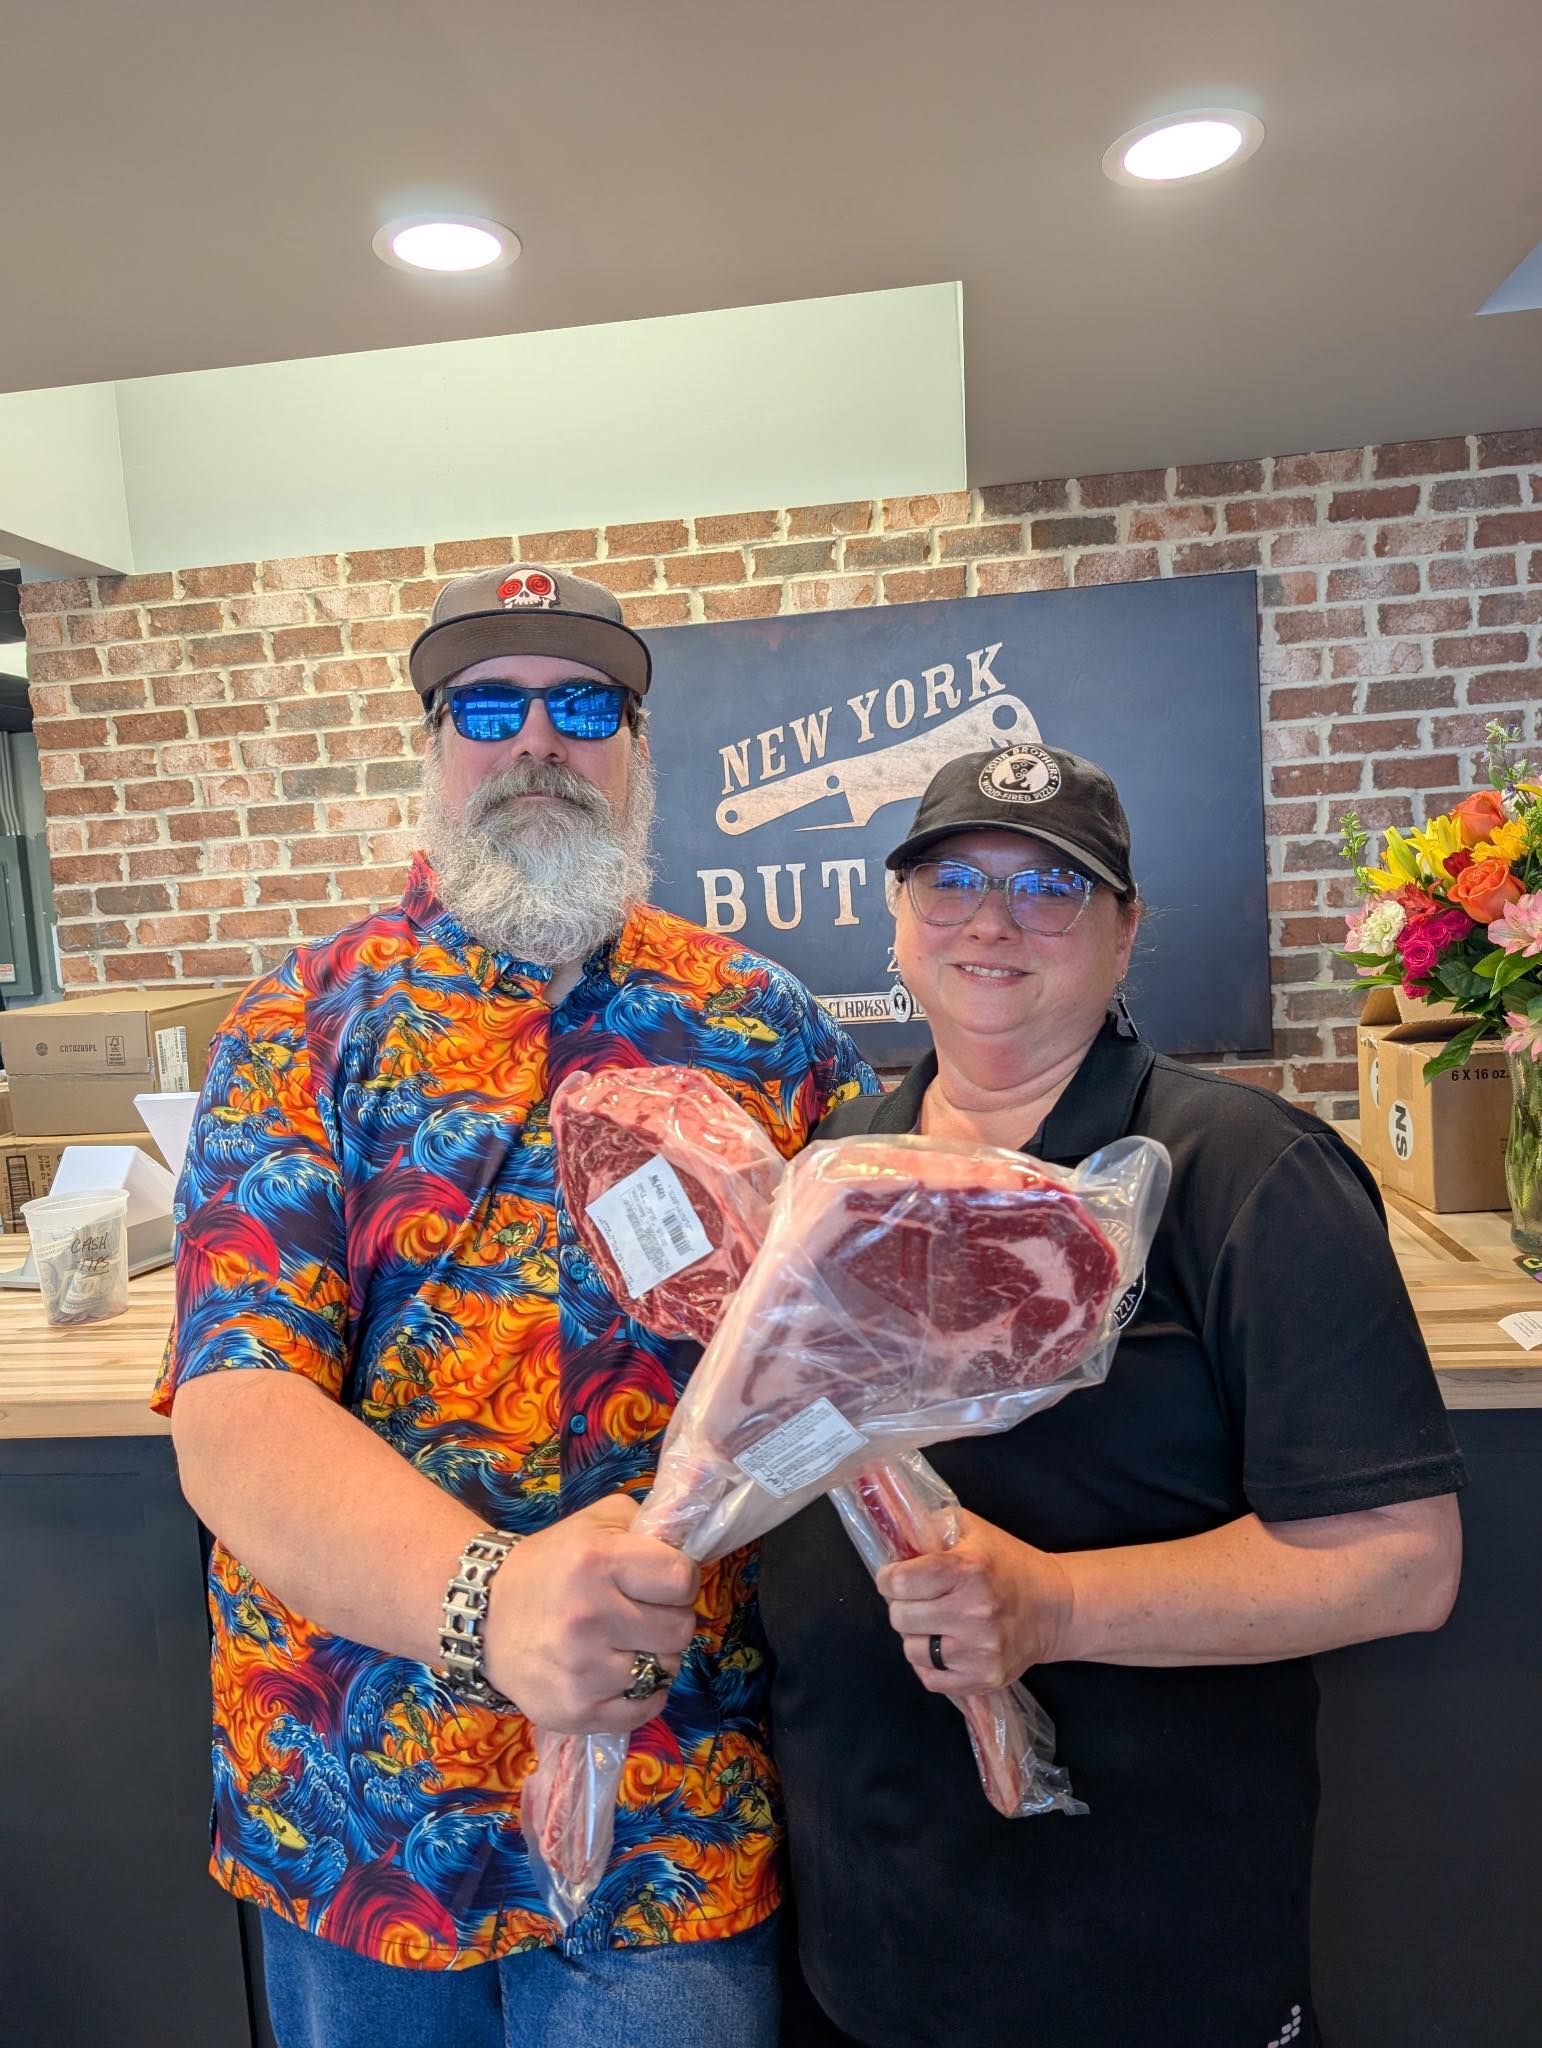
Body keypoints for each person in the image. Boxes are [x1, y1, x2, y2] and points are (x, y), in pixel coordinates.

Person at [155, 563, 876, 2048]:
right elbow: (238, 1415)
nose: (536, 738)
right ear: (432, 747)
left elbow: (854, 1366)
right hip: (360, 1793)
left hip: (670, 1798)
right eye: (490, 704)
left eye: (582, 704)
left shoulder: (766, 1026)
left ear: (636, 751)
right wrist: (491, 1604)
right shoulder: (296, 1025)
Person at [760, 742, 1466, 2048]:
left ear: (1125, 931)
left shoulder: (1244, 1171)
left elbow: (1397, 1563)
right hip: (857, 1953)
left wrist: (1055, 1604)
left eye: (1051, 888)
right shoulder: (831, 1168)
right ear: (898, 915)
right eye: (953, 879)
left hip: (1134, 1961)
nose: (990, 921)